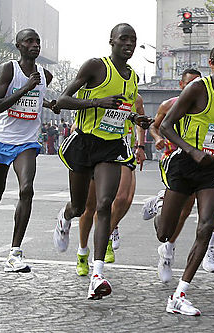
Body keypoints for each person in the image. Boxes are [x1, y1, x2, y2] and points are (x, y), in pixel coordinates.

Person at [53, 23, 151, 300]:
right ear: (112, 41)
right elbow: (63, 100)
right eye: (124, 39)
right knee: (80, 205)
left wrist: (135, 119)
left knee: (105, 203)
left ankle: (97, 274)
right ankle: (65, 216)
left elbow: (123, 109)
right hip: (85, 144)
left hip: (111, 146)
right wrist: (98, 102)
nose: (129, 44)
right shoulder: (95, 66)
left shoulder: (132, 76)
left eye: (133, 40)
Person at [156, 42, 214, 316]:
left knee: (205, 227)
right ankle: (160, 206)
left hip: (213, 168)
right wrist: (193, 152)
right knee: (165, 232)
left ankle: (180, 293)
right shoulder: (196, 89)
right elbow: (165, 126)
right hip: (184, 164)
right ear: (212, 62)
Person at [0, 28, 57, 272]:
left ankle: (14, 253)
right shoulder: (10, 69)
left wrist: (52, 104)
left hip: (27, 142)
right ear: (19, 46)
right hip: (2, 138)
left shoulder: (44, 75)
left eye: (37, 41)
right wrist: (25, 88)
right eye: (29, 41)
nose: (35, 45)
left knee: (26, 190)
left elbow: (38, 100)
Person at [75, 94, 147, 276]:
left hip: (123, 150)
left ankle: (106, 232)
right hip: (97, 152)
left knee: (123, 198)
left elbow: (140, 121)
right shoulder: (97, 94)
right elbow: (78, 123)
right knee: (89, 207)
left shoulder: (135, 98)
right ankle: (82, 251)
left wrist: (140, 146)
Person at [148, 69, 202, 282]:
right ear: (182, 85)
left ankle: (167, 251)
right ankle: (161, 203)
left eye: (197, 83)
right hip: (172, 159)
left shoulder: (205, 107)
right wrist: (157, 138)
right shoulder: (168, 105)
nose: (193, 87)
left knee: (186, 209)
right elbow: (155, 126)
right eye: (189, 83)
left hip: (195, 162)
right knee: (177, 208)